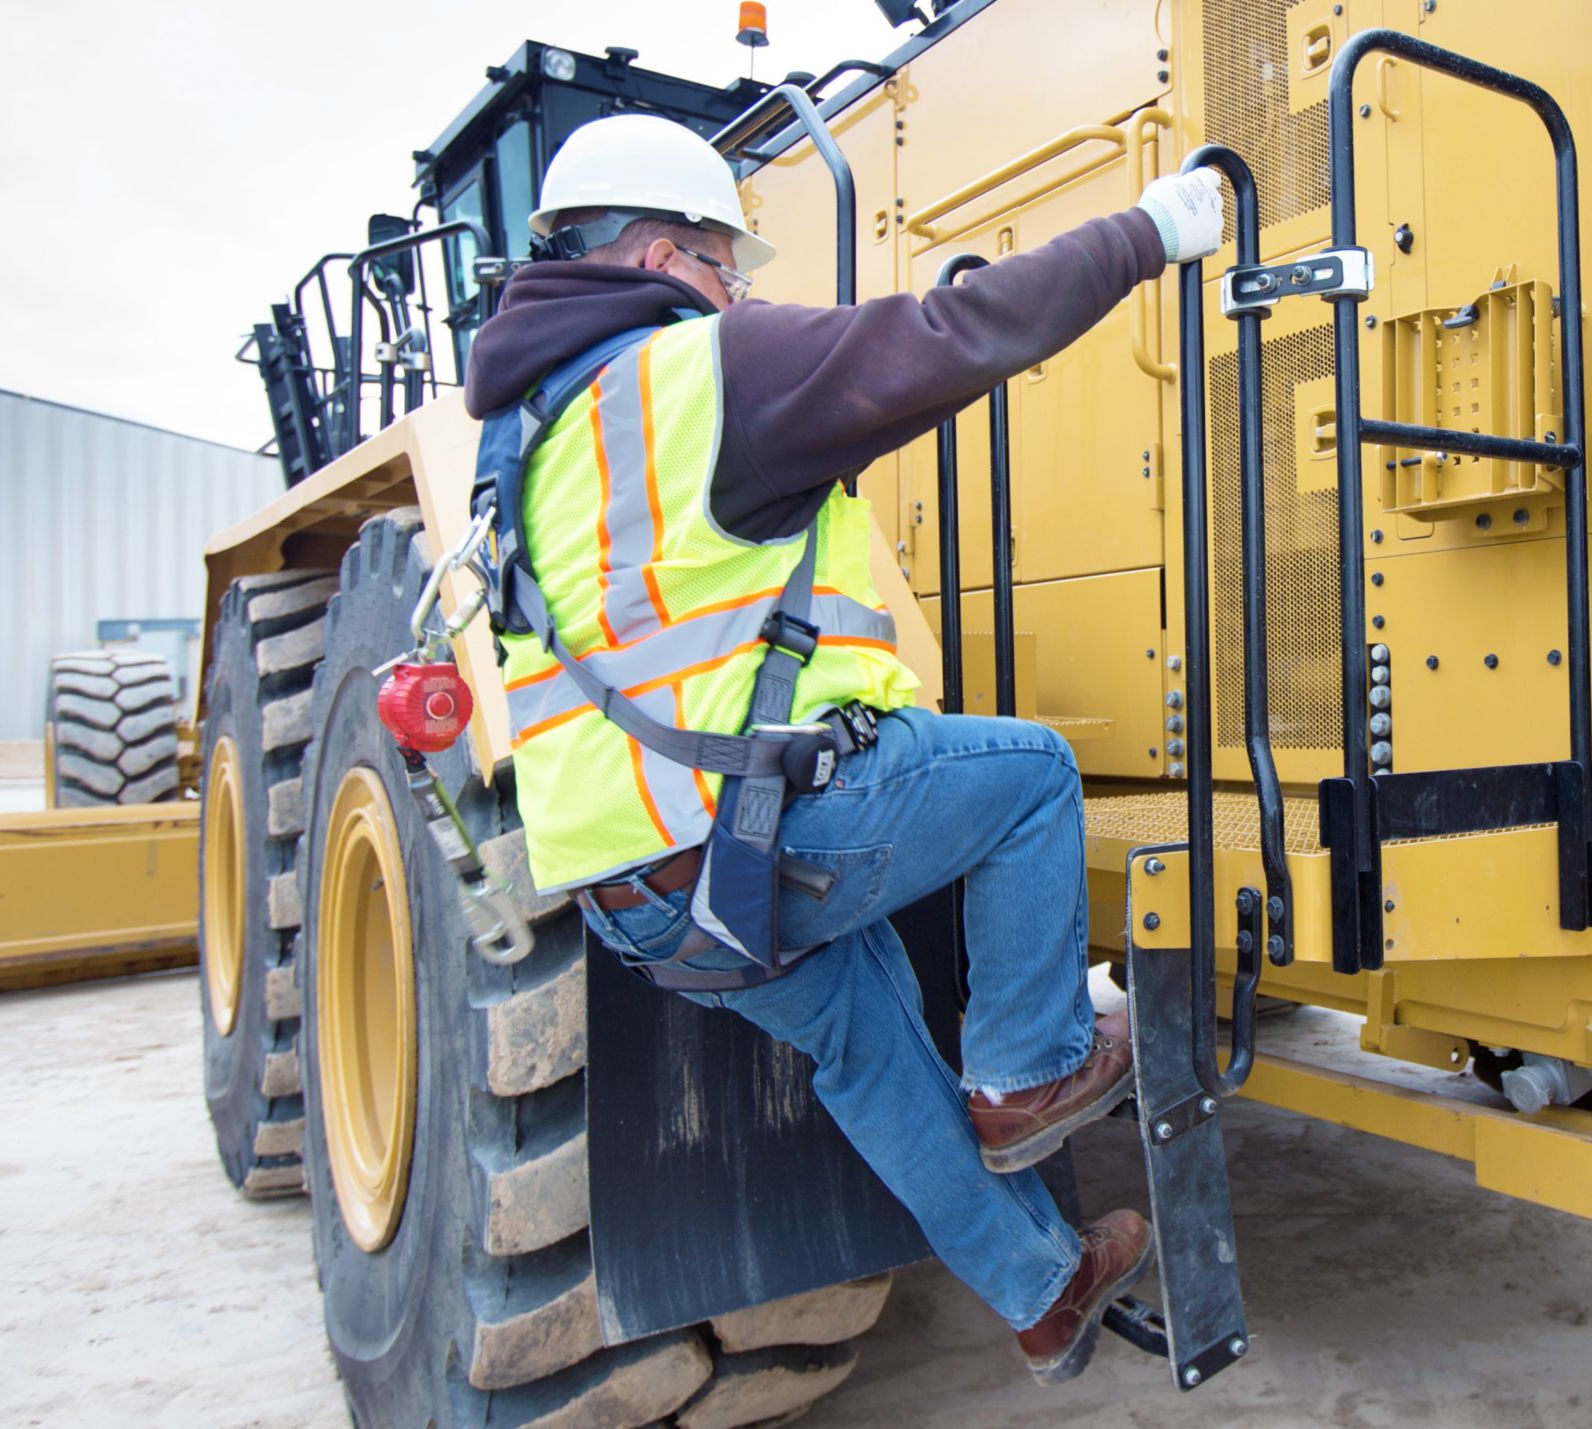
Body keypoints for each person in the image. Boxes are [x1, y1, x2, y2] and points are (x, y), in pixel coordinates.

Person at [462, 112, 1227, 1385]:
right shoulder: (698, 372)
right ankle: (1029, 1074)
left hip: (630, 891)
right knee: (1031, 773)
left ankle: (1044, 1291)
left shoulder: (525, 436)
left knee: (867, 1049)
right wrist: (1147, 233)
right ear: (661, 254)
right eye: (725, 263)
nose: (738, 289)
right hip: (747, 834)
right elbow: (948, 338)